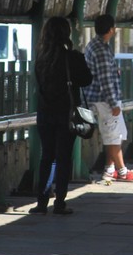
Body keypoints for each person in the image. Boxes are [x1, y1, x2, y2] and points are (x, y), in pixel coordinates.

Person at [30, 16, 93, 215]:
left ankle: (41, 202)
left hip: (45, 113)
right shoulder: (72, 57)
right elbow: (86, 80)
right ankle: (59, 202)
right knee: (63, 157)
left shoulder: (41, 58)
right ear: (66, 34)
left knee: (47, 156)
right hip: (67, 114)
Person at [83, 13, 133, 184]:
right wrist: (113, 103)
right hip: (104, 100)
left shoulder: (94, 45)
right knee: (113, 135)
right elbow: (106, 80)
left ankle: (109, 170)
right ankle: (123, 171)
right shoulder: (101, 50)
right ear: (111, 30)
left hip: (98, 97)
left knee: (115, 133)